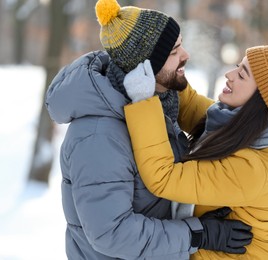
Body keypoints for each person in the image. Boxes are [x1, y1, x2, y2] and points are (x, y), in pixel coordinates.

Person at [45, 0, 252, 259]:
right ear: (144, 66)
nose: (186, 55)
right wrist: (197, 234)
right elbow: (112, 233)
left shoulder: (157, 104)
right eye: (174, 50)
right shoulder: (98, 136)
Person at [122, 45, 268, 259]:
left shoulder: (253, 169)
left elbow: (164, 177)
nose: (229, 75)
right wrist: (167, 62)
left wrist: (143, 101)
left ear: (261, 98)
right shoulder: (236, 123)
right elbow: (186, 105)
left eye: (242, 75)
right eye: (237, 67)